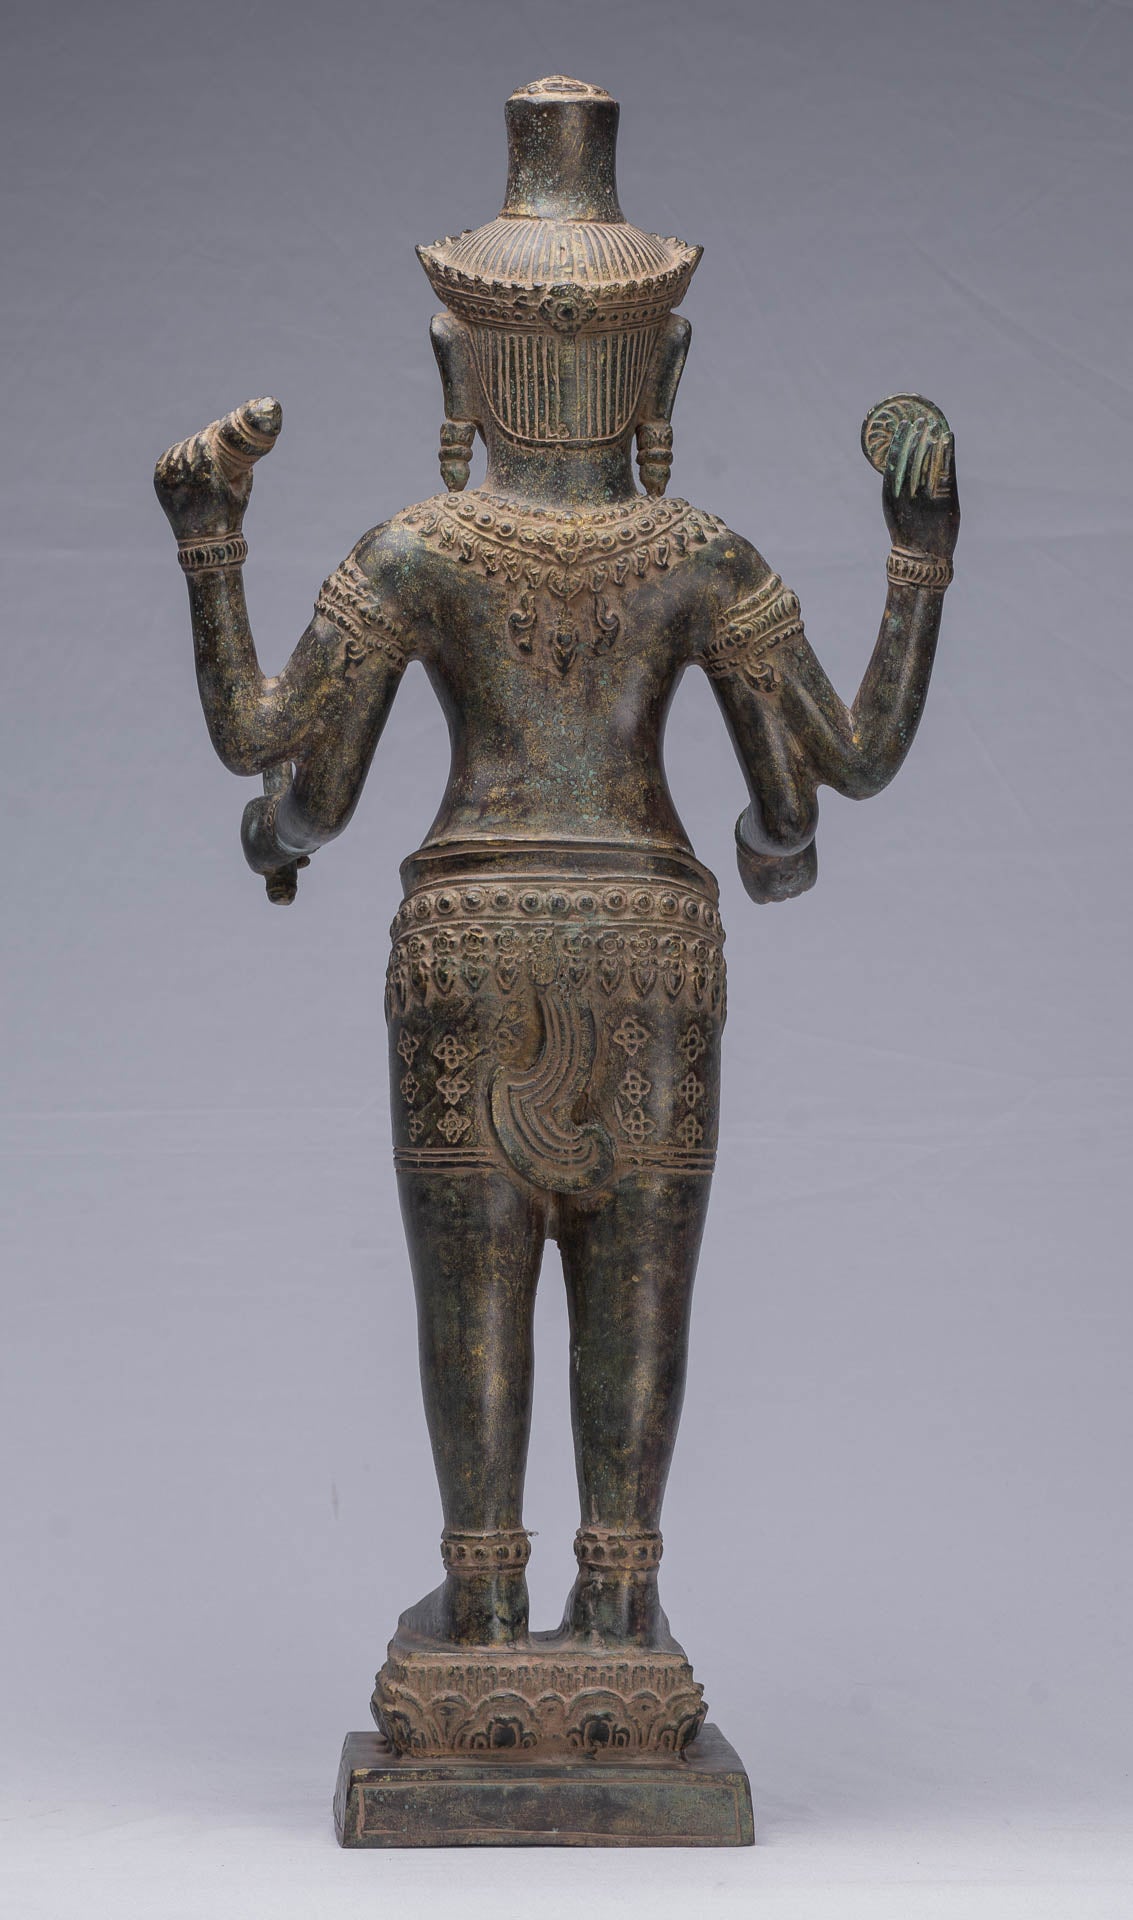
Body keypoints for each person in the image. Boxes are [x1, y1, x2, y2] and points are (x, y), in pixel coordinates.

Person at [155, 76, 958, 1749]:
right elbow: (844, 764)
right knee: (636, 1284)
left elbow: (280, 758)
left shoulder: (415, 551)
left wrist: (212, 546)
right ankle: (617, 1610)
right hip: (653, 950)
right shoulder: (699, 554)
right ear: (664, 369)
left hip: (467, 943)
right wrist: (918, 559)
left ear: (456, 366)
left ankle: (481, 1603)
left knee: (473, 1289)